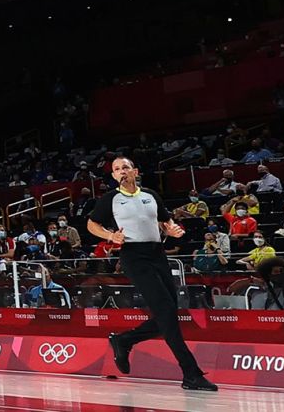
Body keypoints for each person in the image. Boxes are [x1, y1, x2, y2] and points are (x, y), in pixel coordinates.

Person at [86, 157, 216, 392]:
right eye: (117, 170)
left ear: (135, 171)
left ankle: (124, 340)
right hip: (134, 256)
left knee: (168, 313)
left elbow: (165, 221)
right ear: (114, 176)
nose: (121, 171)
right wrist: (109, 236)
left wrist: (172, 229)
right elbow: (91, 224)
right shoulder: (110, 199)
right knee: (166, 311)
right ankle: (191, 373)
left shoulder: (150, 195)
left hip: (157, 253)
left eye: (125, 167)